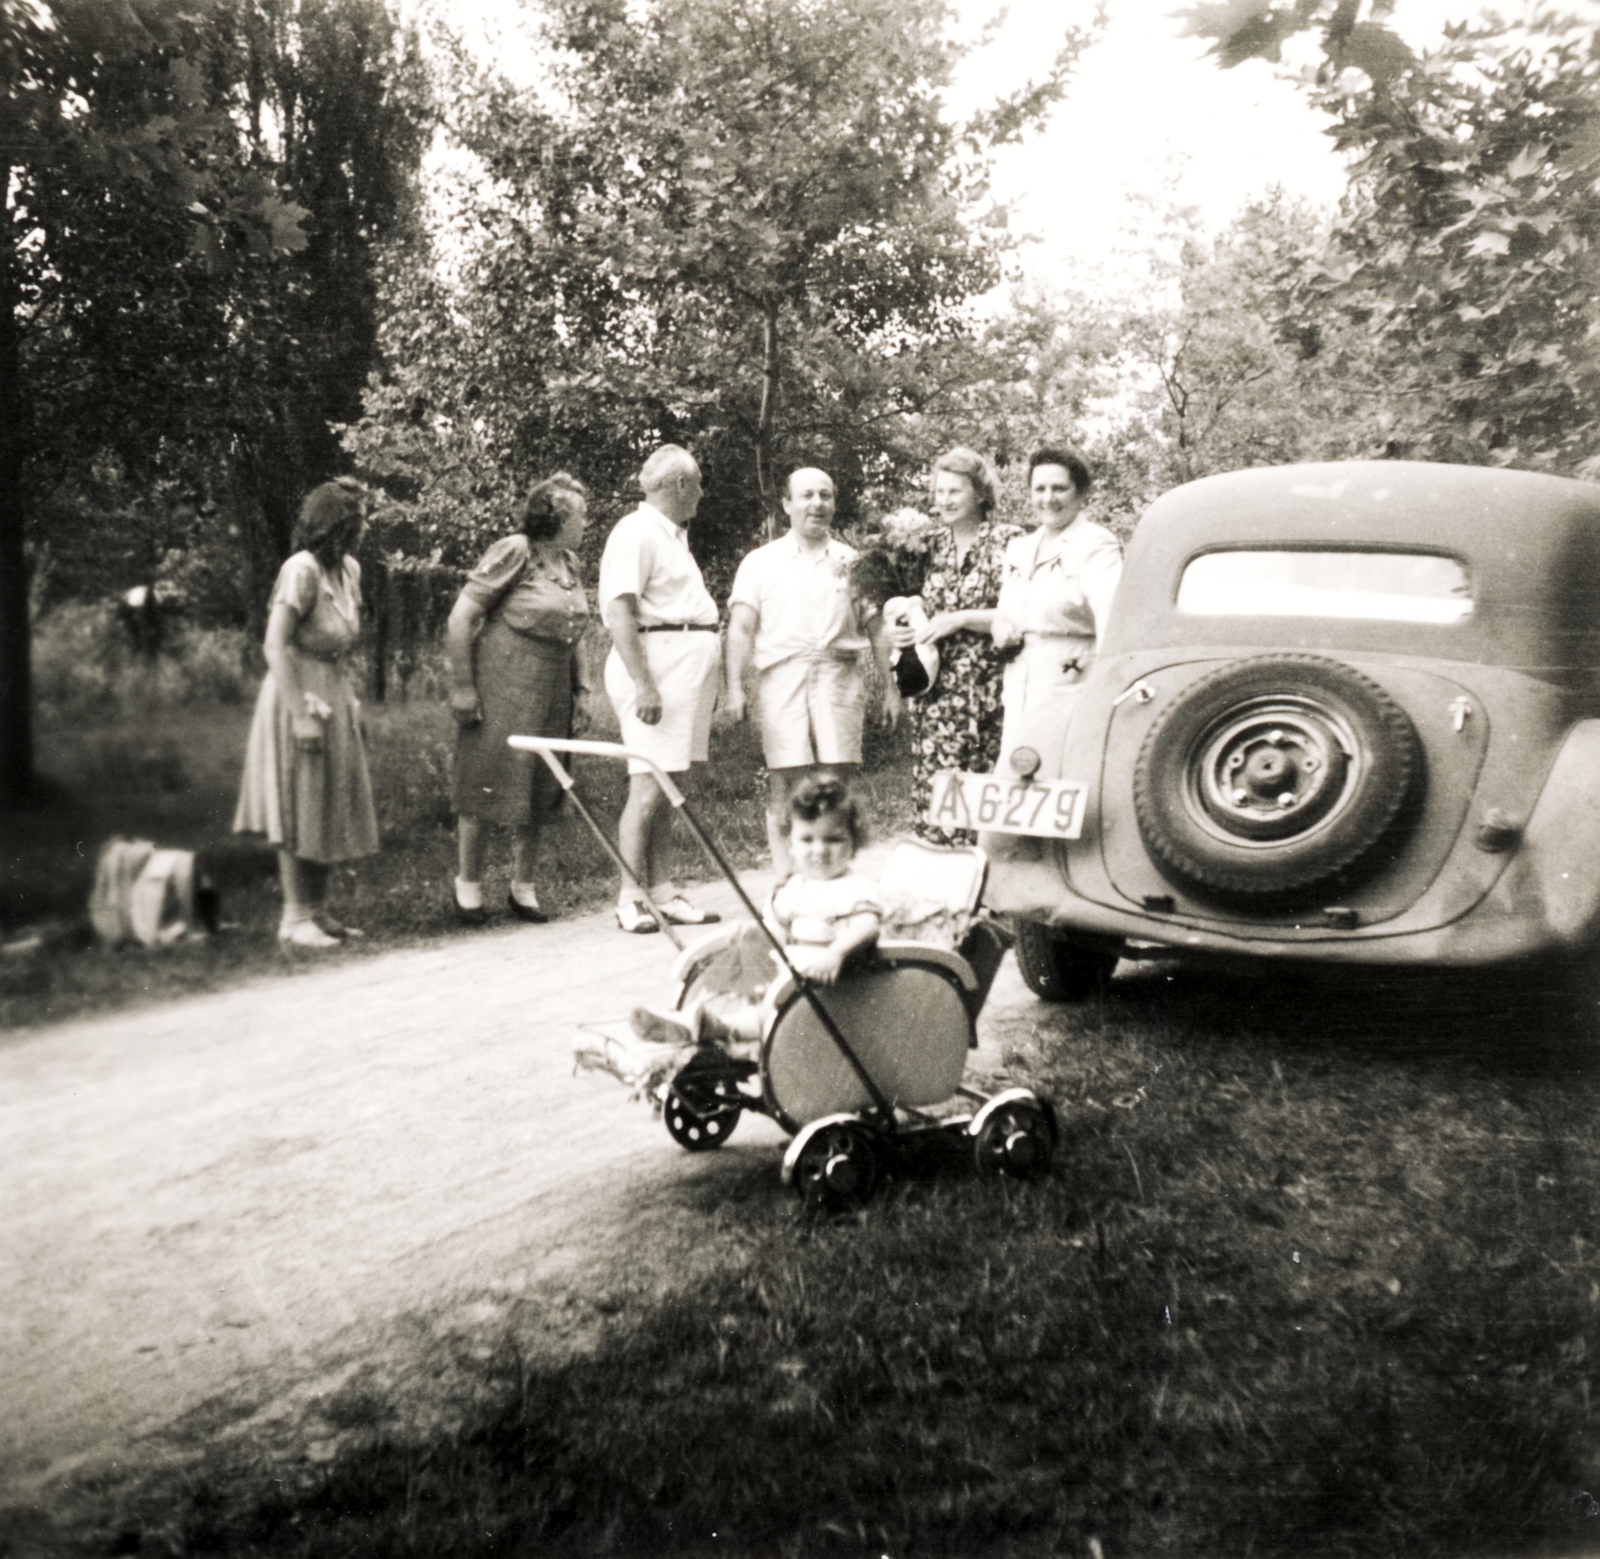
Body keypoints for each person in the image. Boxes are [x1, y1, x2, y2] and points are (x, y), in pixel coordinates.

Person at [724, 466, 901, 877]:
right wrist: (734, 688)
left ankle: (839, 878)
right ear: (787, 504)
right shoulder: (760, 562)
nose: (817, 504)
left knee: (839, 781)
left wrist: (891, 689)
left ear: (834, 504)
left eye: (825, 495)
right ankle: (788, 879)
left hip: (839, 677)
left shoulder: (852, 561)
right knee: (787, 782)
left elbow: (878, 629)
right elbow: (741, 628)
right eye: (806, 495)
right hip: (782, 678)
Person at [627, 776, 882, 1055]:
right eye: (807, 839)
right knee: (742, 965)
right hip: (795, 979)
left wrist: (837, 952)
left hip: (839, 985)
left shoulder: (854, 887)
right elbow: (778, 929)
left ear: (854, 843)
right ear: (791, 845)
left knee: (770, 1010)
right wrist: (754, 930)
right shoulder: (795, 887)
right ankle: (692, 1017)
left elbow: (867, 924)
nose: (819, 850)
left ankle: (718, 1028)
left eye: (833, 839)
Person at [234, 479, 378, 949]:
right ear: (334, 525)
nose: (362, 531)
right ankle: (294, 918)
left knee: (327, 801)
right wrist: (300, 714)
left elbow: (338, 648)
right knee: (300, 802)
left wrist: (350, 703)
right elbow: (274, 645)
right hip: (296, 692)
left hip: (331, 690)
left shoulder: (348, 570)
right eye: (355, 522)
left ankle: (318, 911)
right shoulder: (301, 570)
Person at [445, 474, 591, 924]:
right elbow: (462, 616)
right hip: (504, 685)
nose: (586, 522)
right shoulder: (515, 550)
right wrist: (463, 686)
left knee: (541, 786)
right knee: (486, 780)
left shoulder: (571, 564)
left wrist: (582, 690)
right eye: (581, 514)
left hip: (552, 690)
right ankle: (468, 885)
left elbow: (576, 634)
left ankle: (522, 886)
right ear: (556, 517)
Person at [598, 445, 724, 933]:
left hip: (683, 672)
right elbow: (618, 612)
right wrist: (644, 684)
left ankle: (662, 890)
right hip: (656, 672)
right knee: (648, 786)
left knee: (670, 786)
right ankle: (630, 896)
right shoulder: (637, 532)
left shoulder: (671, 535)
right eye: (697, 484)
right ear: (679, 485)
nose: (702, 493)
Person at [886, 447, 1022, 844]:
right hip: (938, 689)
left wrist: (962, 618)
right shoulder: (927, 547)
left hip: (990, 685)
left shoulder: (1010, 541)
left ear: (980, 493)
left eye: (954, 492)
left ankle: (989, 888)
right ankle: (941, 885)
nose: (943, 501)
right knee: (939, 786)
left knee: (988, 786)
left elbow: (1021, 612)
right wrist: (901, 629)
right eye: (939, 492)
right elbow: (908, 603)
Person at [992, 446, 1123, 747]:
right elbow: (1005, 612)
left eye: (1059, 488)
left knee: (1061, 768)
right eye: (1039, 488)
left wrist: (1101, 688)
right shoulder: (1020, 548)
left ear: (1080, 494)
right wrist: (1001, 627)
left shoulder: (1095, 543)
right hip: (1020, 681)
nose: (1048, 498)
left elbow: (1110, 615)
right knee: (1017, 769)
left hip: (1070, 679)